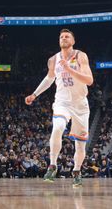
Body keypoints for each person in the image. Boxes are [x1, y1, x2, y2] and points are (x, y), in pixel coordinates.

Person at [25, 29, 94, 188]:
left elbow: (89, 80)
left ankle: (76, 171)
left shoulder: (80, 56)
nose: (63, 38)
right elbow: (49, 79)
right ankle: (53, 165)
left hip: (80, 105)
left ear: (73, 41)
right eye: (61, 36)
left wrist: (69, 69)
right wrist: (34, 94)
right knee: (58, 128)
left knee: (80, 145)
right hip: (62, 102)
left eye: (67, 36)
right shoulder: (53, 59)